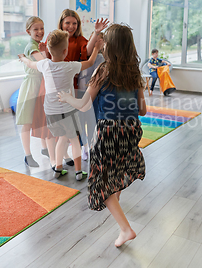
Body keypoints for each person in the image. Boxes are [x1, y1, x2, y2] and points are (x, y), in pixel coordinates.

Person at [58, 23, 147, 248]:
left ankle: (126, 229)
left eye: (105, 41)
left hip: (108, 131)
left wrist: (67, 98)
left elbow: (83, 104)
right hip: (131, 128)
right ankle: (121, 222)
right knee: (115, 174)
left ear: (111, 46)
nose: (103, 44)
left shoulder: (104, 70)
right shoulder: (135, 72)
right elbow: (142, 109)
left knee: (101, 184)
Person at [19, 29, 103, 180]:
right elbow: (90, 62)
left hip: (50, 112)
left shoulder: (44, 64)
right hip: (67, 111)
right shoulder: (70, 66)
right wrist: (96, 48)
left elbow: (30, 63)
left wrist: (23, 58)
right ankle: (78, 172)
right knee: (74, 140)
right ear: (65, 51)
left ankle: (58, 168)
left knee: (62, 138)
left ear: (49, 51)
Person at [57, 9, 109, 162]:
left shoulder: (79, 40)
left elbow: (86, 50)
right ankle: (63, 153)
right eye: (68, 23)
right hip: (60, 85)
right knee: (63, 123)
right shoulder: (57, 38)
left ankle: (82, 149)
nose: (71, 26)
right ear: (61, 23)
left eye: (74, 23)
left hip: (75, 88)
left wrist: (96, 32)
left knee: (77, 122)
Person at [15, 16, 55, 167]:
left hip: (41, 84)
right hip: (32, 85)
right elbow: (42, 62)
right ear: (28, 31)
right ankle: (27, 154)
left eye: (42, 28)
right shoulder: (32, 46)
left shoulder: (40, 44)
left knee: (41, 118)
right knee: (27, 121)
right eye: (36, 29)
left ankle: (44, 148)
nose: (40, 32)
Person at [77, 31, 105, 160]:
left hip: (95, 96)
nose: (97, 44)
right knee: (82, 122)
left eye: (100, 41)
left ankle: (93, 146)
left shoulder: (102, 59)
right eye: (95, 40)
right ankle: (84, 147)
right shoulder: (83, 56)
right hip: (82, 93)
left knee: (93, 121)